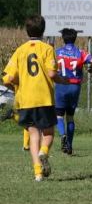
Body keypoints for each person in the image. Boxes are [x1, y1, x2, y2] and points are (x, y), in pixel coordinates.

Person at [2, 15, 60, 181]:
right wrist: (63, 79)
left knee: (33, 135)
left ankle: (37, 173)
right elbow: (51, 73)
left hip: (25, 100)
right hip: (44, 98)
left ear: (26, 30)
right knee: (48, 133)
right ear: (43, 30)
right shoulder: (47, 49)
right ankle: (44, 152)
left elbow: (8, 77)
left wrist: (21, 83)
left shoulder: (20, 50)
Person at [54, 28, 92, 155]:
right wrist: (91, 69)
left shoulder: (57, 52)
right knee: (70, 117)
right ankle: (70, 146)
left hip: (61, 85)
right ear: (75, 38)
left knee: (59, 115)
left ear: (63, 38)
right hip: (74, 87)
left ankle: (62, 135)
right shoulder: (80, 52)